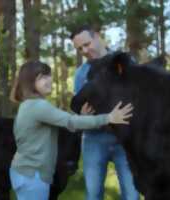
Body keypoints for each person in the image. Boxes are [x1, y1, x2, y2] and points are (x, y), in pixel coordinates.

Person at [9, 60, 133, 200]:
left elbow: (65, 124)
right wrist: (109, 117)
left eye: (48, 75)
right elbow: (70, 122)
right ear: (30, 82)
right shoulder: (38, 106)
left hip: (25, 173)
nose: (49, 80)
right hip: (32, 176)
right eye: (42, 77)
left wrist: (82, 118)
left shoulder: (28, 105)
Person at [71, 25, 140, 200]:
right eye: (79, 49)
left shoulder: (124, 62)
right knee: (93, 194)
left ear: (98, 37)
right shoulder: (81, 74)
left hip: (124, 140)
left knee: (132, 194)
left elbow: (139, 97)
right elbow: (79, 110)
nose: (85, 51)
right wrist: (82, 117)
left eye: (86, 44)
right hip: (94, 140)